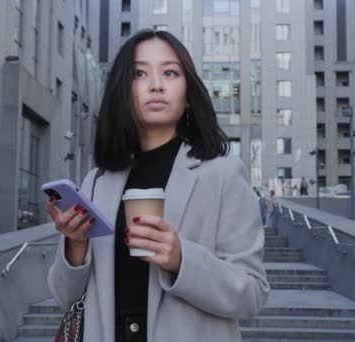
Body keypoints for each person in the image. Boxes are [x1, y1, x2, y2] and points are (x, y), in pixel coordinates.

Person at [46, 29, 270, 342]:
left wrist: (182, 260)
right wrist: (75, 245)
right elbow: (65, 297)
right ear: (123, 91)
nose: (156, 84)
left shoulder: (223, 174)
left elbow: (252, 293)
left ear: (188, 93)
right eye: (139, 73)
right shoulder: (97, 181)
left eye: (170, 72)